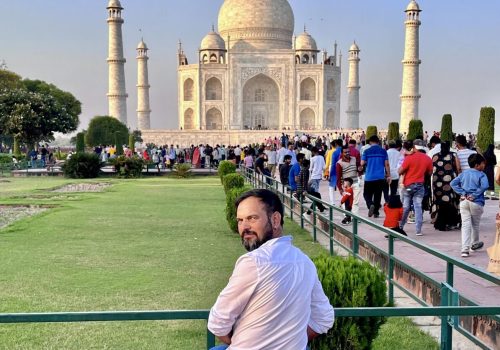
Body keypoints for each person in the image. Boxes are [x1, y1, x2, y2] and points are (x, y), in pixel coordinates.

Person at [208, 189, 334, 349]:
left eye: (252, 218)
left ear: (275, 219)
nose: (244, 227)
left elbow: (218, 323)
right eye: (240, 220)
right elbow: (324, 318)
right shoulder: (305, 262)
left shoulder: (254, 262)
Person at [450, 154, 489, 258]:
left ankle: (464, 249)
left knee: (465, 225)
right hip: (476, 202)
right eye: (483, 163)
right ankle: (474, 244)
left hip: (464, 201)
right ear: (477, 165)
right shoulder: (482, 174)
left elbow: (453, 183)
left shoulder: (464, 173)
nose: (484, 165)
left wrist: (463, 193)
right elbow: (485, 186)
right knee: (475, 225)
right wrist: (475, 195)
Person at [398, 140, 433, 236]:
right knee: (418, 206)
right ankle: (418, 230)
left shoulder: (409, 158)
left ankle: (400, 226)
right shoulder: (427, 159)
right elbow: (430, 172)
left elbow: (400, 171)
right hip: (420, 185)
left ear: (414, 147)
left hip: (408, 185)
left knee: (406, 207)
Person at [430, 142, 461, 231]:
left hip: (437, 183)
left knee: (439, 202)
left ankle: (438, 221)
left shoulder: (435, 156)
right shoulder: (453, 155)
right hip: (450, 182)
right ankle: (450, 221)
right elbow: (458, 168)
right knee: (450, 201)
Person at [361, 135, 391, 218]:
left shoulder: (366, 151)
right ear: (378, 141)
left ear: (370, 142)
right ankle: (376, 212)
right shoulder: (383, 151)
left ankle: (370, 204)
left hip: (369, 177)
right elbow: (387, 164)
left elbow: (362, 163)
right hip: (380, 177)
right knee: (378, 195)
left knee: (366, 194)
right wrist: (388, 175)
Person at [336, 145, 361, 217]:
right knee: (346, 201)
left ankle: (355, 217)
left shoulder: (354, 159)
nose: (347, 153)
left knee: (355, 202)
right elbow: (338, 177)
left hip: (355, 183)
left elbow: (359, 168)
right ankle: (347, 216)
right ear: (342, 153)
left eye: (348, 152)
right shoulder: (339, 163)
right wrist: (340, 188)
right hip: (347, 185)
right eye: (345, 152)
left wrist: (360, 170)